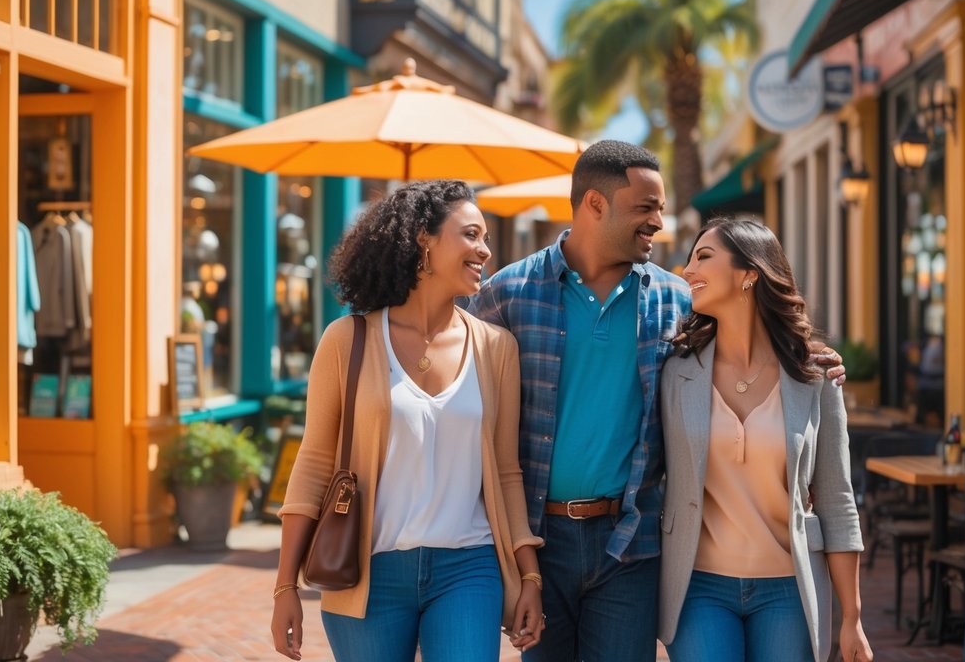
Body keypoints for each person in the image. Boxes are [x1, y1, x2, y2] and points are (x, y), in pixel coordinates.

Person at [466, 141, 847, 662]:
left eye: (661, 210)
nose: (658, 224)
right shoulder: (508, 293)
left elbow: (750, 331)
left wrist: (810, 356)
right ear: (594, 204)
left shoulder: (678, 301)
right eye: (645, 209)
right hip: (538, 540)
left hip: (633, 541)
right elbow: (467, 402)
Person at [270, 180, 544, 662]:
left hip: (469, 567)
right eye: (472, 235)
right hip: (368, 572)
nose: (485, 249)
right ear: (424, 240)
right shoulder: (346, 340)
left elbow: (505, 472)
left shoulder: (497, 349)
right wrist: (284, 586)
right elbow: (313, 463)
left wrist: (528, 575)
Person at [658, 217, 873, 662]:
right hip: (699, 587)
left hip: (789, 589)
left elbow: (836, 498)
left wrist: (852, 617)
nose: (687, 270)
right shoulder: (675, 371)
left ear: (750, 274)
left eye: (704, 257)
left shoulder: (813, 378)